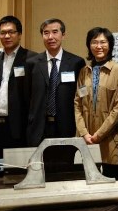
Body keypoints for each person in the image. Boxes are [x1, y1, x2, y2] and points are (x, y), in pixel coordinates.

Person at [74, 27, 118, 179]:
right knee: (85, 181)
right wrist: (84, 133)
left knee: (111, 180)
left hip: (110, 139)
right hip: (85, 138)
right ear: (89, 45)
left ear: (110, 45)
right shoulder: (84, 71)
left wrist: (98, 135)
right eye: (94, 42)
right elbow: (77, 104)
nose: (99, 46)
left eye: (103, 42)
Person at [26, 18, 84, 147]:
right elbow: (26, 96)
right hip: (38, 126)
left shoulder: (76, 63)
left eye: (55, 32)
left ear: (63, 35)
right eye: (46, 33)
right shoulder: (32, 63)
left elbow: (81, 95)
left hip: (66, 125)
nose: (50, 37)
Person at [0, 16, 36, 159]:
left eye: (11, 32)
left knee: (17, 168)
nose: (7, 36)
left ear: (19, 34)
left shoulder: (32, 59)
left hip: (19, 127)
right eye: (3, 33)